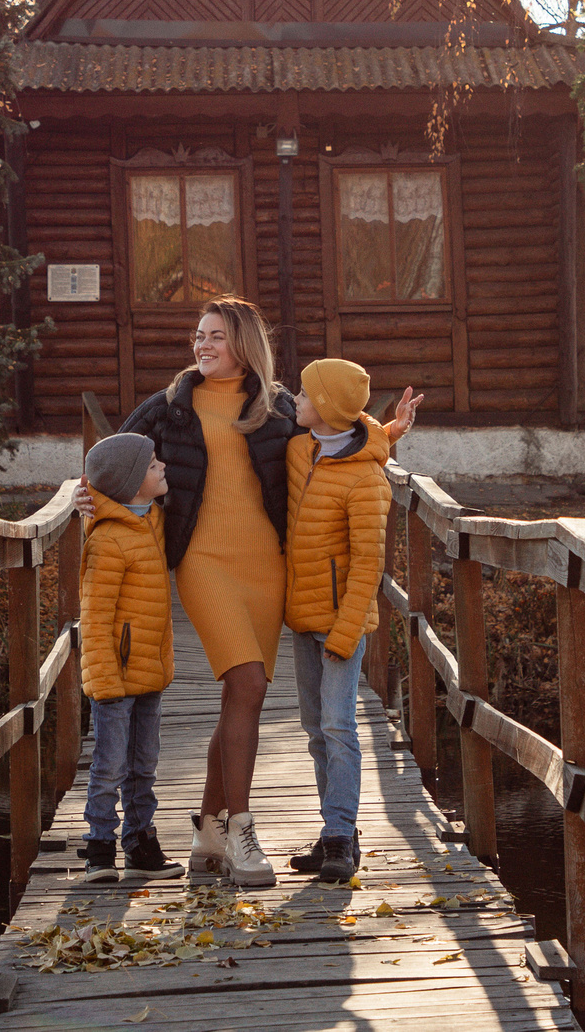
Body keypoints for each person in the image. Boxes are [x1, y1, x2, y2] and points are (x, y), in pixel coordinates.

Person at [120, 297, 296, 886]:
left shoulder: (276, 406)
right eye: (199, 335)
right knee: (245, 681)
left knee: (241, 699)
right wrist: (95, 498)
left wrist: (386, 434)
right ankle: (242, 829)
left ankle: (206, 836)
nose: (202, 345)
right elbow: (115, 459)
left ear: (244, 343)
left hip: (265, 568)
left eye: (215, 336)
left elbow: (336, 438)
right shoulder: (171, 405)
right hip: (202, 561)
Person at [279, 358, 392, 883]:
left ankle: (342, 838)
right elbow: (359, 435)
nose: (294, 402)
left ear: (323, 408)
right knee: (315, 730)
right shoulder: (300, 450)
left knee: (338, 727)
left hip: (341, 623)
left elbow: (369, 564)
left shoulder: (366, 480)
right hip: (303, 616)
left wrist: (346, 634)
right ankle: (333, 834)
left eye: (302, 395)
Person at [76, 431, 184, 883]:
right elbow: (96, 618)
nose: (162, 467)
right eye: (153, 463)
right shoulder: (107, 541)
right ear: (129, 481)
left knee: (145, 764)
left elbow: (115, 508)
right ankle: (99, 848)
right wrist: (102, 680)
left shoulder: (152, 518)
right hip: (115, 677)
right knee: (109, 764)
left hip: (150, 670)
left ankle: (141, 842)